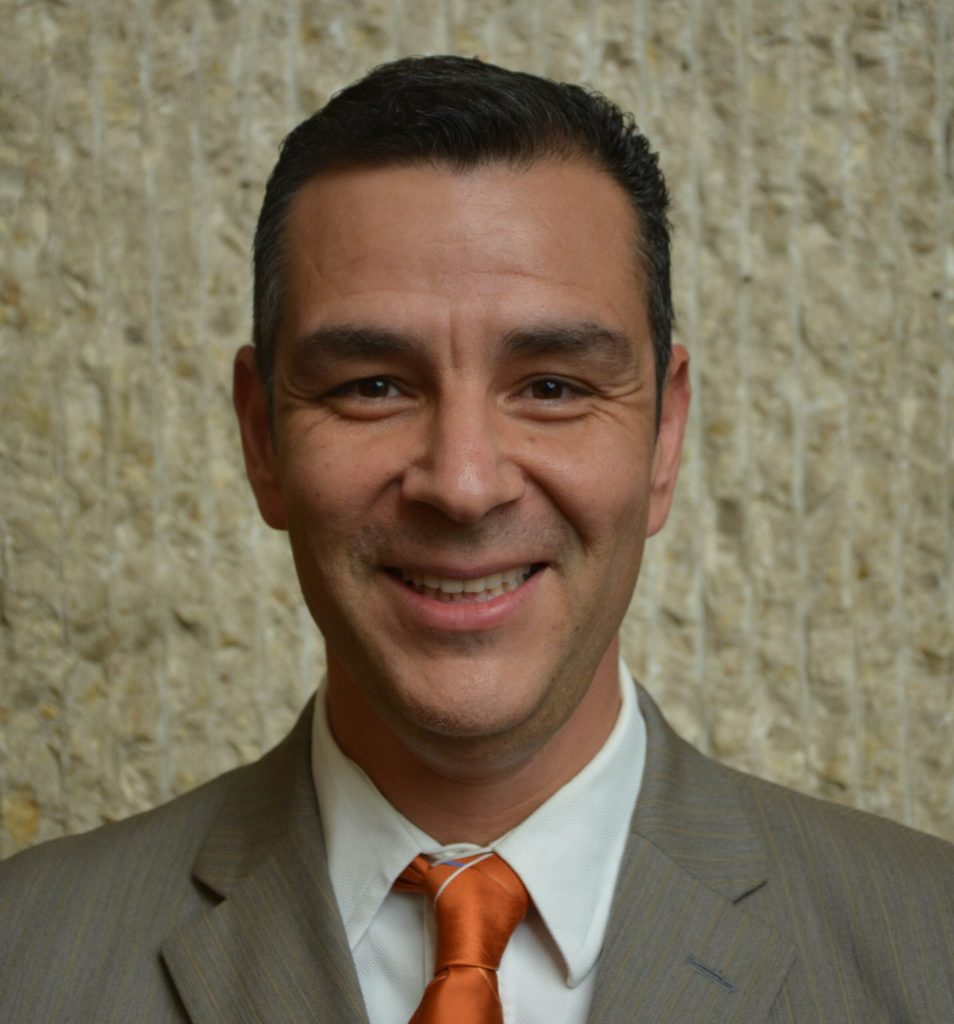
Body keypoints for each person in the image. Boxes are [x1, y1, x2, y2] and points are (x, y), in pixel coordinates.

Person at [1, 54, 952, 1024]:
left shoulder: (932, 953)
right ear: (262, 438)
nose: (462, 485)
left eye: (552, 386)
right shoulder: (23, 961)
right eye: (374, 386)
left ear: (664, 437)